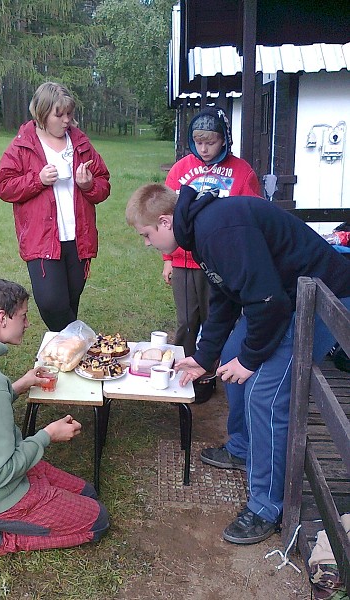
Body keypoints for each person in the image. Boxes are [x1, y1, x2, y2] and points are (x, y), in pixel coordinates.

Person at [126, 183, 350, 545]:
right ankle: (243, 448)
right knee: (231, 358)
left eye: (147, 235)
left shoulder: (218, 230)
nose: (147, 244)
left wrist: (249, 360)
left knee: (266, 395)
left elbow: (268, 304)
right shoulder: (198, 229)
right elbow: (226, 295)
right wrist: (204, 356)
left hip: (320, 298)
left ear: (165, 222)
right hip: (280, 296)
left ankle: (267, 507)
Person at [0, 278, 109, 556]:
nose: (27, 324)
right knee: (97, 519)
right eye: (23, 316)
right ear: (2, 318)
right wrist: (46, 436)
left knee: (87, 492)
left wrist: (19, 386)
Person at [162, 107, 261, 403]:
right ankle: (182, 374)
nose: (204, 149)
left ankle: (209, 376)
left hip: (224, 263)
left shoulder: (242, 172)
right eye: (199, 142)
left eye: (211, 142)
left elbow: (253, 215)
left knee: (216, 320)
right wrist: (168, 259)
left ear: (224, 140)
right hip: (184, 261)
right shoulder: (180, 170)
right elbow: (166, 218)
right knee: (187, 322)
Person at [0, 82, 110, 332]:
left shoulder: (80, 143)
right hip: (42, 240)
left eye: (69, 113)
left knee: (70, 299)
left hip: (78, 239)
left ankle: (64, 360)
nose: (66, 120)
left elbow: (104, 185)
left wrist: (89, 185)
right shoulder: (22, 145)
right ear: (41, 112)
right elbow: (4, 187)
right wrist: (38, 180)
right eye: (59, 114)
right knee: (51, 302)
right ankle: (78, 343)